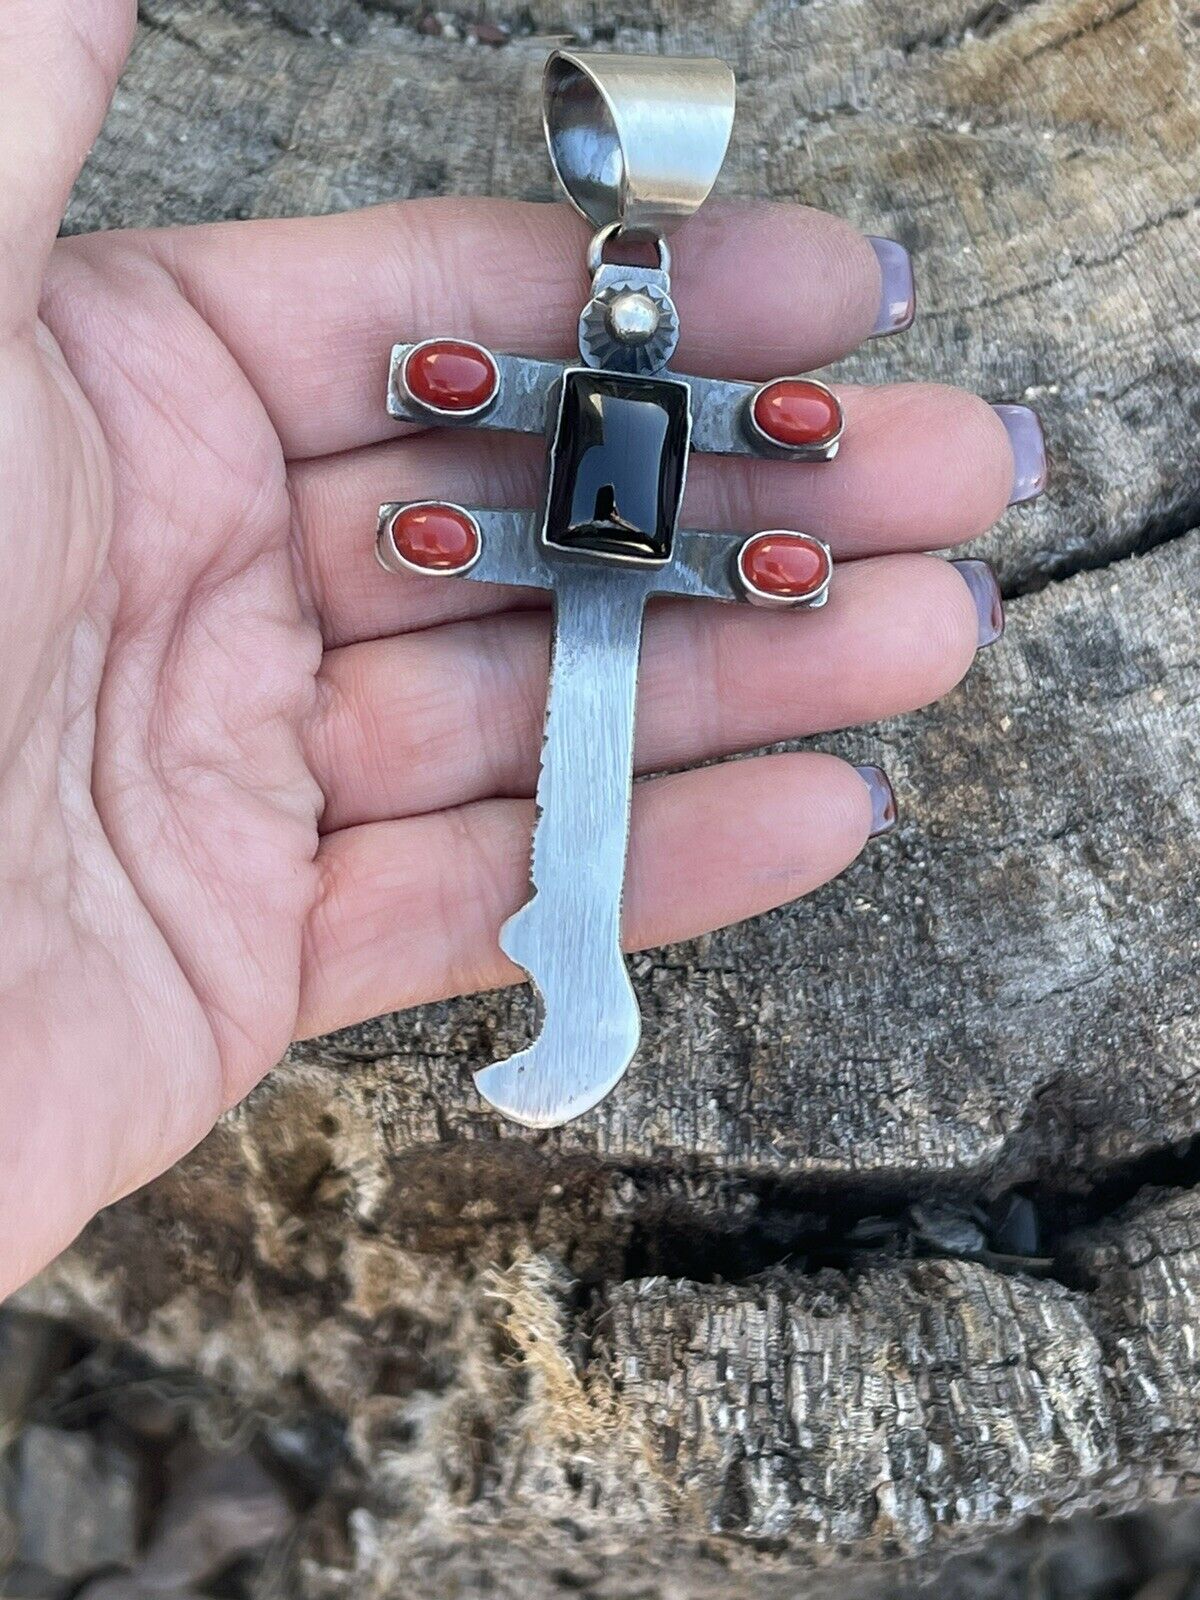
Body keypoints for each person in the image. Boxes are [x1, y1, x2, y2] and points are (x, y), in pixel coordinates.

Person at [0, 0, 1045, 1299]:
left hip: (626, 560)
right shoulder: (556, 384)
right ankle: (575, 963)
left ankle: (578, 962)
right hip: (575, 552)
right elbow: (451, 394)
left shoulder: (679, 396)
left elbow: (777, 438)